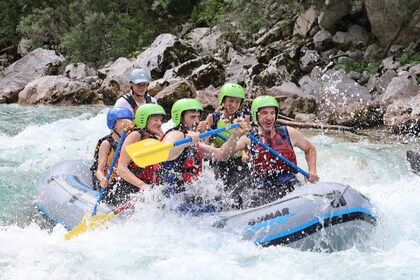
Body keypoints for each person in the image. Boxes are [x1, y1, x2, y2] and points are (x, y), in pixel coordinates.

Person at [159, 98, 247, 210]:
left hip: (186, 197)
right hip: (171, 199)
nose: (196, 121)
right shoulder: (176, 134)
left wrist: (235, 135)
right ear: (180, 118)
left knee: (226, 203)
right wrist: (186, 140)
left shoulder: (193, 141)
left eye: (197, 117)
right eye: (192, 117)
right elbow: (166, 152)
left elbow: (222, 155)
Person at [234, 95, 319, 207]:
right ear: (256, 115)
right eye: (264, 113)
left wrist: (312, 171)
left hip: (289, 183)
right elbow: (225, 153)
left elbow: (310, 149)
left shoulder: (289, 133)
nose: (269, 118)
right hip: (262, 188)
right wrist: (235, 134)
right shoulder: (248, 138)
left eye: (272, 113)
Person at [102, 103, 166, 206]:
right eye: (156, 120)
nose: (160, 123)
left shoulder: (154, 138)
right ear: (144, 120)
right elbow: (121, 169)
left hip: (145, 185)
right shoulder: (135, 135)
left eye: (161, 120)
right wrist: (143, 186)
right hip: (128, 186)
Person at [202, 83, 251, 202]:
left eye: (237, 102)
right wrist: (202, 132)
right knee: (221, 197)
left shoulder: (244, 118)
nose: (233, 105)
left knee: (242, 195)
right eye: (231, 101)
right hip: (218, 162)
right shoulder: (213, 118)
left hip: (238, 162)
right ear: (223, 101)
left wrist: (245, 153)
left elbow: (247, 140)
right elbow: (205, 144)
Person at [91, 107, 134, 191]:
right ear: (113, 125)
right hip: (108, 181)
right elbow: (99, 170)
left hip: (122, 179)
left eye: (128, 120)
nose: (126, 124)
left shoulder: (131, 140)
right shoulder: (106, 143)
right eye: (122, 121)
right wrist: (102, 179)